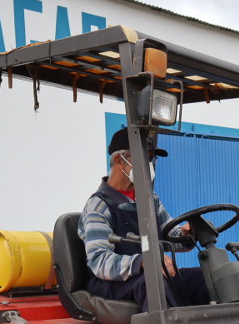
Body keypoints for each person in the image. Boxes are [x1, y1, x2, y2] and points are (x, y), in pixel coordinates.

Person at [78, 127, 210, 312]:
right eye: (145, 159)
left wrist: (188, 233)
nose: (150, 164)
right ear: (119, 161)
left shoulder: (149, 199)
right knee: (155, 285)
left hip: (151, 275)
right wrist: (142, 262)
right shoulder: (99, 206)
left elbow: (170, 236)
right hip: (111, 282)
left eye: (151, 159)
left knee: (210, 277)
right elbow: (99, 262)